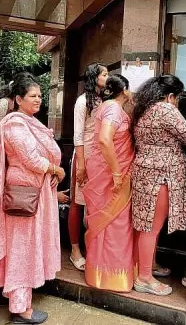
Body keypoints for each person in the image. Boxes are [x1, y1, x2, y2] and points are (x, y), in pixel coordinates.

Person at [0, 75, 63, 325]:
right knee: (21, 250)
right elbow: (30, 159)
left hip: (34, 192)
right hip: (23, 194)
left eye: (40, 95)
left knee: (28, 247)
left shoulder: (29, 122)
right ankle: (20, 309)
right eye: (32, 96)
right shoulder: (15, 124)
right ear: (18, 99)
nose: (38, 99)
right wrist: (56, 169)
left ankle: (22, 303)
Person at [130, 75, 186, 296]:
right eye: (177, 98)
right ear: (170, 96)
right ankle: (145, 278)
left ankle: (147, 266)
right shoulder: (166, 109)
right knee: (152, 228)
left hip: (143, 171)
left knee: (144, 225)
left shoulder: (143, 108)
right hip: (162, 174)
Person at [83, 74, 136, 292]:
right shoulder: (114, 109)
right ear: (124, 90)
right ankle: (113, 276)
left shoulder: (106, 107)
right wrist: (116, 173)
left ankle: (98, 274)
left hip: (103, 168)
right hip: (110, 172)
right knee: (115, 222)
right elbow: (105, 139)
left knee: (107, 221)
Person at [69, 62, 108, 271]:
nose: (107, 77)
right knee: (78, 202)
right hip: (84, 156)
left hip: (101, 160)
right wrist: (81, 164)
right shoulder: (83, 101)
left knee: (96, 204)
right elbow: (78, 134)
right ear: (95, 77)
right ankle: (75, 250)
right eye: (104, 74)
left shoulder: (106, 101)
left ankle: (93, 248)